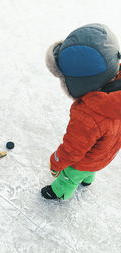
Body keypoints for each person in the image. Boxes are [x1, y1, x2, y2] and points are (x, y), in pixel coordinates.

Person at [41, 23, 121, 200]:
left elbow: (73, 149)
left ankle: (60, 192)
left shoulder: (88, 113)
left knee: (69, 178)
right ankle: (88, 178)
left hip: (83, 162)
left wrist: (56, 162)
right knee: (91, 166)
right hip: (105, 154)